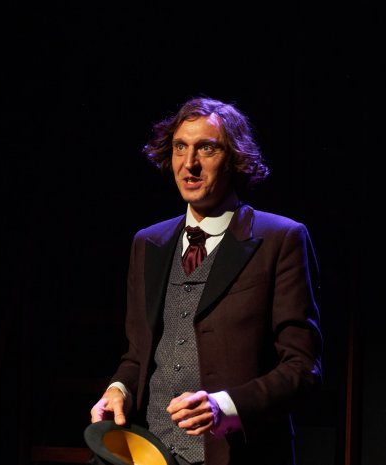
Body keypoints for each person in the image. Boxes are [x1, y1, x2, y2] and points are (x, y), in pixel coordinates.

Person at [90, 96, 323, 465]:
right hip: (149, 451)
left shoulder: (281, 239)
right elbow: (138, 356)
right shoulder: (148, 243)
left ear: (234, 158)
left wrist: (224, 406)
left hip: (237, 455)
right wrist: (119, 390)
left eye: (206, 148)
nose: (190, 163)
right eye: (180, 147)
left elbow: (302, 368)